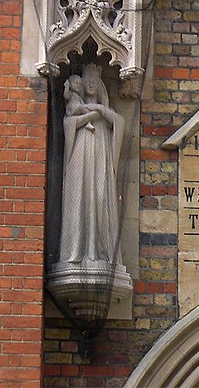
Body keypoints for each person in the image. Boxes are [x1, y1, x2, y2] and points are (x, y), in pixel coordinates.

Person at [59, 64, 125, 265]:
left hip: (100, 159)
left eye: (94, 82)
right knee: (80, 196)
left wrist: (99, 109)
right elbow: (69, 123)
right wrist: (90, 116)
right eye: (86, 81)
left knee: (100, 197)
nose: (90, 85)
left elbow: (119, 122)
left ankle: (99, 252)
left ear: (101, 86)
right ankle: (77, 251)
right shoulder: (76, 107)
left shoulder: (106, 113)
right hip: (80, 156)